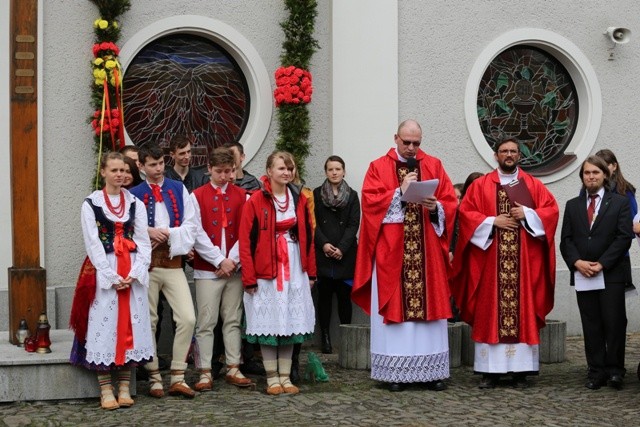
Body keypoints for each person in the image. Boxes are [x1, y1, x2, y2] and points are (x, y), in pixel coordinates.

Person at [352, 119, 457, 392]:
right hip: (393, 252)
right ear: (396, 138)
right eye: (407, 142)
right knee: (396, 309)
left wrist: (436, 208)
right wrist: (399, 192)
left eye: (417, 143)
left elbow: (450, 202)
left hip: (427, 252)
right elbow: (370, 204)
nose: (412, 148)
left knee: (430, 312)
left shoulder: (433, 165)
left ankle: (431, 372)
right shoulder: (378, 166)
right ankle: (395, 372)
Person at [450, 138, 559, 389]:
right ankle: (491, 371)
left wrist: (528, 214)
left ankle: (521, 371)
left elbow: (551, 211)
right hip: (491, 264)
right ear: (495, 155)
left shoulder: (532, 185)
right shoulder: (480, 185)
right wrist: (491, 222)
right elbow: (466, 214)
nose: (508, 155)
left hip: (523, 265)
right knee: (491, 311)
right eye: (504, 151)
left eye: (513, 151)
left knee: (522, 310)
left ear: (519, 155)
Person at [69, 152, 154, 410]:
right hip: (105, 269)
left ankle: (125, 387)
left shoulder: (134, 203)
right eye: (115, 170)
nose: (120, 175)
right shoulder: (91, 203)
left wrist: (137, 271)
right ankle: (106, 389)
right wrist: (110, 275)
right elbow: (93, 243)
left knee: (129, 323)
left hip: (131, 270)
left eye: (123, 170)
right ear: (103, 172)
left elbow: (143, 241)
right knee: (103, 326)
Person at [239, 151, 316, 395]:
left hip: (293, 266)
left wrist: (310, 273)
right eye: (281, 168)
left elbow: (308, 236)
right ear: (269, 171)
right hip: (267, 269)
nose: (286, 173)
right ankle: (271, 377)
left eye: (290, 169)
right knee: (269, 324)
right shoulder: (255, 200)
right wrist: (249, 278)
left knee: (290, 324)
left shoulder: (300, 199)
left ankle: (286, 377)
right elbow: (245, 242)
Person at [129, 144, 198, 399]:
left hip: (171, 262)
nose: (158, 170)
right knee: (149, 320)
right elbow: (126, 229)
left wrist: (169, 233)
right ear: (141, 166)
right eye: (152, 165)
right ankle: (154, 376)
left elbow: (191, 224)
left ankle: (178, 375)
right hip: (147, 265)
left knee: (188, 317)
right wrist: (147, 232)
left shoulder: (178, 188)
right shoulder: (133, 194)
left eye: (160, 164)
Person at [560, 155, 634, 390]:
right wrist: (577, 263)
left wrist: (602, 263)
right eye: (586, 173)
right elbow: (566, 240)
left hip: (610, 273)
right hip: (583, 273)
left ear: (605, 175)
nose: (591, 177)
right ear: (582, 177)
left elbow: (624, 237)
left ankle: (615, 371)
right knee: (591, 324)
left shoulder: (620, 202)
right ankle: (595, 371)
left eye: (595, 173)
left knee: (613, 323)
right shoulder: (572, 205)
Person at [191, 147, 253, 391]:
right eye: (219, 171)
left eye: (229, 171)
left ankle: (233, 366)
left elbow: (245, 232)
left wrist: (232, 261)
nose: (224, 176)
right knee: (206, 321)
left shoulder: (243, 195)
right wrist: (219, 260)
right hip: (208, 269)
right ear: (209, 169)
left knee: (233, 319)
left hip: (233, 269)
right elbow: (197, 232)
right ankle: (204, 371)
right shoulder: (196, 196)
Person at [313, 155, 360, 354]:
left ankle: (346, 339)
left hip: (345, 255)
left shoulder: (352, 195)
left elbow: (353, 224)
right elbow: (312, 222)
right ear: (326, 172)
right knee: (323, 299)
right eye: (331, 169)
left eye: (338, 169)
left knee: (344, 298)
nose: (334, 172)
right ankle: (325, 338)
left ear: (344, 171)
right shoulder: (316, 194)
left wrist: (341, 247)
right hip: (323, 254)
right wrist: (324, 244)